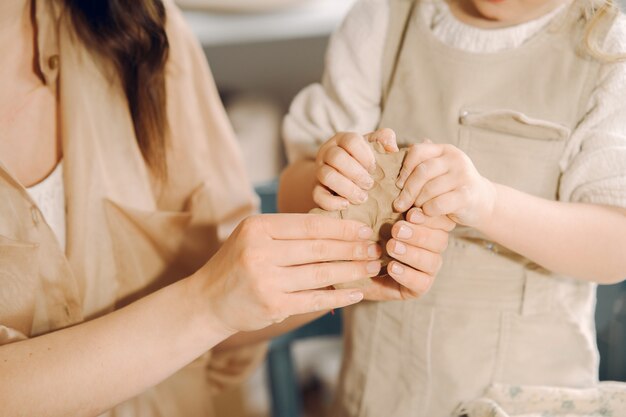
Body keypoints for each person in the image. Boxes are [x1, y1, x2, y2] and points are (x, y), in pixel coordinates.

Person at [0, 0, 441, 415]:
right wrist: (206, 303)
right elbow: (210, 305)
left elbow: (226, 316)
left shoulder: (137, 25)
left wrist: (352, 262)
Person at [279, 0, 626, 415]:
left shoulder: (608, 48)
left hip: (533, 396)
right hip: (380, 394)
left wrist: (489, 204)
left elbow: (615, 245)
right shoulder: (386, 18)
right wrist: (328, 176)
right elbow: (292, 193)